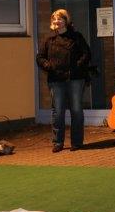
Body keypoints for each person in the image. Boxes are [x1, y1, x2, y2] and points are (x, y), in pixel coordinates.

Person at [36, 9, 91, 153]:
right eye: (54, 19)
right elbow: (40, 57)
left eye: (60, 19)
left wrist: (76, 67)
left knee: (76, 110)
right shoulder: (49, 39)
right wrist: (48, 66)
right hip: (56, 80)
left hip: (75, 79)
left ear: (66, 21)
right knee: (58, 111)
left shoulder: (76, 37)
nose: (57, 21)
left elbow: (86, 54)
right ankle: (58, 142)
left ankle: (77, 142)